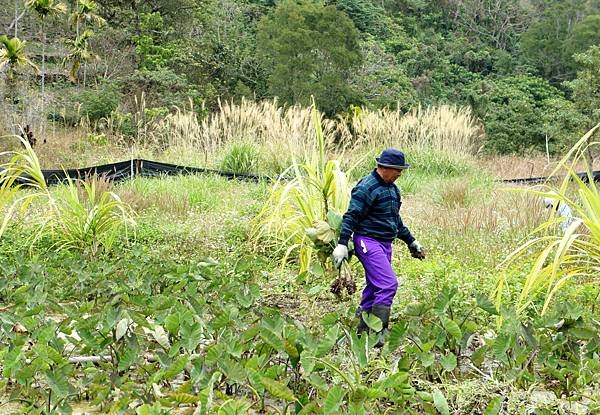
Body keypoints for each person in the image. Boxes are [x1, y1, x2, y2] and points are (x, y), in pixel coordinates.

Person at [332, 148, 425, 347]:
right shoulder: (367, 187)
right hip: (367, 241)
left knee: (376, 286)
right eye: (398, 170)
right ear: (387, 168)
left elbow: (395, 220)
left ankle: (361, 329)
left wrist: (411, 241)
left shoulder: (392, 189)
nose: (400, 174)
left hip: (385, 243)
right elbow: (352, 216)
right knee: (388, 284)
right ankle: (378, 333)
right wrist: (342, 244)